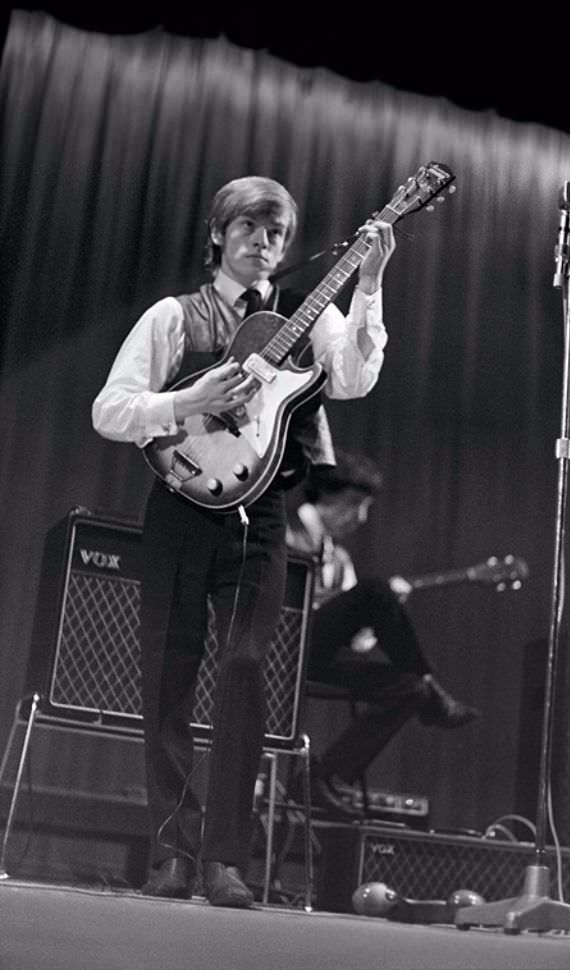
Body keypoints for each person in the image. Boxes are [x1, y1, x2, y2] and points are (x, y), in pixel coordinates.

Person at [91, 175, 396, 906]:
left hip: (260, 516)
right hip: (177, 507)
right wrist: (185, 400)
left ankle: (224, 859)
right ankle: (172, 854)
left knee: (245, 667)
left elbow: (352, 377)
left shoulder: (304, 317)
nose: (266, 244)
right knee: (168, 675)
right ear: (220, 235)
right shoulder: (174, 315)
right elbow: (111, 408)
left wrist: (373, 281)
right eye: (252, 229)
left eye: (278, 235)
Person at [286, 449, 480, 819]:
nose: (360, 518)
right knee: (376, 591)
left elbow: (358, 643)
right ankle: (433, 688)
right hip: (285, 648)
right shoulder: (285, 530)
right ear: (326, 497)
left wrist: (380, 613)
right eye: (354, 504)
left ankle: (321, 776)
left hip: (317, 660)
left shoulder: (340, 560)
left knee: (410, 688)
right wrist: (374, 600)